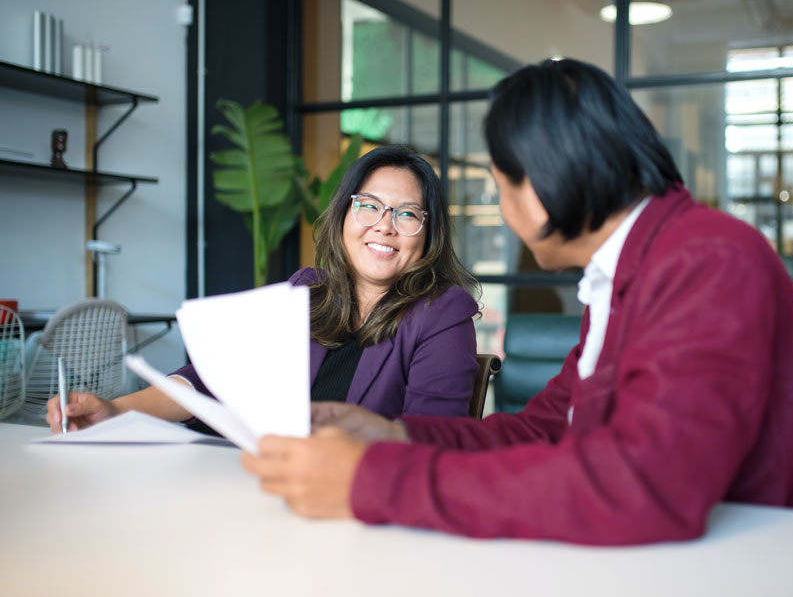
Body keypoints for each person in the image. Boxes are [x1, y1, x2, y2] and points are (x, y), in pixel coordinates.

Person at [240, 59, 793, 545]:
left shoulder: (706, 260)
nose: (503, 211)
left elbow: (645, 490)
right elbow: (544, 429)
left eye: (501, 187)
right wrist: (393, 437)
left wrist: (371, 480)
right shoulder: (632, 270)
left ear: (544, 187)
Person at [46, 145, 480, 433]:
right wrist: (117, 412)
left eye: (407, 214)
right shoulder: (306, 292)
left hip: (355, 504)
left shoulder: (442, 313)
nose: (384, 225)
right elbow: (209, 380)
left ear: (428, 234)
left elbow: (432, 437)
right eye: (369, 206)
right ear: (344, 215)